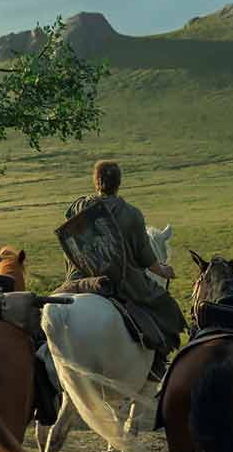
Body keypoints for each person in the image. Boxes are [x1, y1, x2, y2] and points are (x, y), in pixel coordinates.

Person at [62, 160, 187, 379]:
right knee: (167, 309)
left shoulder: (78, 207)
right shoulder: (131, 214)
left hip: (81, 277)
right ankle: (156, 368)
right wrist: (164, 272)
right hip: (121, 280)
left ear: (95, 182)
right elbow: (145, 256)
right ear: (119, 183)